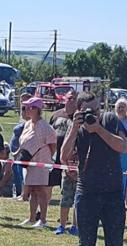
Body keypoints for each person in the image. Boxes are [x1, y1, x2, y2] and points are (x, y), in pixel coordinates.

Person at [63, 92, 127, 246]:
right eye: (88, 110)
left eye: (97, 108)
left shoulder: (110, 120)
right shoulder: (76, 127)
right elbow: (64, 155)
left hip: (112, 194)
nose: (94, 113)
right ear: (79, 110)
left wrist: (99, 129)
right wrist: (75, 128)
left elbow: (123, 147)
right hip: (87, 193)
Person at [16, 97, 56, 227]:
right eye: (26, 107)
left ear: (37, 109)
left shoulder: (45, 127)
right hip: (29, 162)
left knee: (41, 191)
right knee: (32, 190)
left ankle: (43, 219)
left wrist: (46, 157)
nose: (26, 110)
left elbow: (52, 145)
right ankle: (32, 218)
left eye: (30, 107)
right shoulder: (27, 124)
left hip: (41, 162)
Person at [50, 93, 78, 235]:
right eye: (69, 98)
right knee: (65, 197)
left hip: (80, 167)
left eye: (75, 99)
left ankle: (75, 226)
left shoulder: (83, 122)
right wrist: (66, 166)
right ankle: (61, 225)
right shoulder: (60, 117)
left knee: (78, 199)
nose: (71, 101)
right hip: (65, 164)